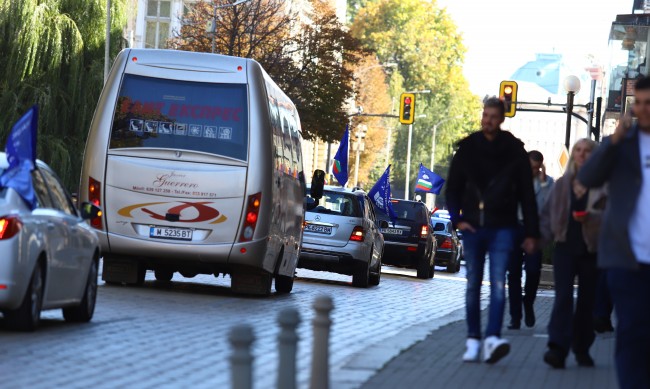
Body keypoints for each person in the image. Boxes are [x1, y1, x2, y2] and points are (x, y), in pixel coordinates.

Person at [446, 97, 539, 364]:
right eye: (485, 115)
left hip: (504, 226)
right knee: (473, 284)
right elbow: (453, 188)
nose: (487, 121)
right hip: (473, 226)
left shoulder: (514, 151)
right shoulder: (468, 148)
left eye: (493, 116)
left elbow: (526, 196)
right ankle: (473, 339)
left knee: (498, 284)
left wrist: (531, 233)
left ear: (502, 119)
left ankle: (493, 339)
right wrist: (456, 219)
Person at [578, 76, 650, 389]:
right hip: (626, 256)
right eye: (639, 104)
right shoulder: (623, 144)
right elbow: (589, 176)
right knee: (632, 330)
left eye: (649, 104)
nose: (643, 110)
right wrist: (612, 142)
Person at [540, 138, 606, 369]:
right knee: (563, 297)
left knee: (587, 302)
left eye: (587, 151)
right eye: (578, 150)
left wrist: (593, 218)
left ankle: (582, 348)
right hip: (565, 248)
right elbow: (548, 214)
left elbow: (611, 216)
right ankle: (557, 348)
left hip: (592, 250)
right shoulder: (562, 184)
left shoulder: (602, 185)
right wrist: (538, 239)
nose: (582, 154)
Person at [507, 150, 554, 330]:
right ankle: (515, 317)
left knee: (534, 271)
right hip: (515, 229)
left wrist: (542, 185)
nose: (532, 171)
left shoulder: (548, 183)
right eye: (530, 167)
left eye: (536, 168)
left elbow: (549, 206)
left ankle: (528, 302)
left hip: (535, 231)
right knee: (513, 274)